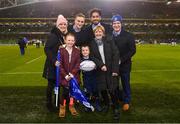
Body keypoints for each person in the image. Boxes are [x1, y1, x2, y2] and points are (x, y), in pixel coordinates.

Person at [90, 25, 120, 120]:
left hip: (111, 69)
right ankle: (107, 104)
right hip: (100, 70)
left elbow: (116, 54)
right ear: (94, 34)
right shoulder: (92, 43)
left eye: (100, 32)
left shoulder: (109, 41)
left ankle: (116, 108)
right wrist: (101, 64)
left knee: (112, 89)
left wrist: (115, 70)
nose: (98, 33)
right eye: (96, 32)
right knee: (103, 89)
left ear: (103, 33)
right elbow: (92, 56)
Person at [42, 14, 68, 112]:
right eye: (60, 24)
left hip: (58, 66)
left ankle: (57, 102)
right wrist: (54, 60)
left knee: (57, 84)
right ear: (57, 25)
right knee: (51, 85)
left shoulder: (61, 35)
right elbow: (47, 49)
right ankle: (49, 104)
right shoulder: (54, 36)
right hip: (52, 65)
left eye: (64, 24)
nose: (63, 26)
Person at [111, 14, 136, 111]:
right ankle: (117, 99)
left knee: (125, 83)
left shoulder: (128, 35)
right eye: (114, 23)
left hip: (125, 65)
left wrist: (122, 59)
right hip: (113, 66)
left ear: (121, 24)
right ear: (112, 24)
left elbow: (132, 50)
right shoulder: (109, 36)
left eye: (118, 23)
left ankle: (126, 101)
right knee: (115, 84)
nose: (116, 25)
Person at [59, 33, 80, 118]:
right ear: (65, 40)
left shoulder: (77, 51)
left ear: (74, 41)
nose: (70, 42)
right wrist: (65, 75)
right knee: (64, 93)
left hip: (74, 76)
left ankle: (71, 106)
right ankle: (62, 107)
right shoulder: (61, 50)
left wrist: (72, 74)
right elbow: (60, 65)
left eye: (72, 40)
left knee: (72, 93)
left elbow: (78, 64)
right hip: (64, 77)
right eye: (69, 40)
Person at [80, 44, 102, 112]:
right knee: (87, 92)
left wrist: (96, 67)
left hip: (94, 78)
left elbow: (99, 65)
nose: (85, 52)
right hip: (86, 79)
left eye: (86, 50)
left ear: (89, 51)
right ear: (81, 52)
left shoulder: (93, 58)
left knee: (95, 91)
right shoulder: (80, 60)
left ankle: (97, 104)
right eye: (83, 50)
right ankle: (88, 106)